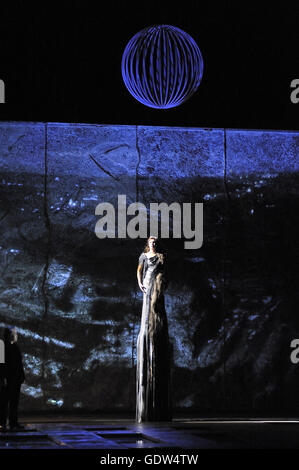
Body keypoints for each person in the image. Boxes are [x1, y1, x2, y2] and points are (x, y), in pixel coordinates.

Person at [136, 236, 172, 422]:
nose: (153, 244)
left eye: (155, 242)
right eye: (151, 242)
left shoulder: (161, 256)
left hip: (157, 285)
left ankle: (156, 330)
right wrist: (141, 283)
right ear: (148, 244)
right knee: (147, 311)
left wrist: (162, 283)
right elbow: (139, 270)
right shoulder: (144, 255)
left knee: (156, 307)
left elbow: (165, 273)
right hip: (147, 284)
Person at [0, 326, 25, 432]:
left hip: (16, 379)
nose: (16, 335)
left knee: (14, 402)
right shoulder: (2, 346)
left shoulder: (15, 346)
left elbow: (19, 363)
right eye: (15, 333)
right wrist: (2, 378)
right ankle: (2, 423)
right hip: (8, 379)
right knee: (4, 402)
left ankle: (13, 422)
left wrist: (21, 376)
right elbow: (1, 363)